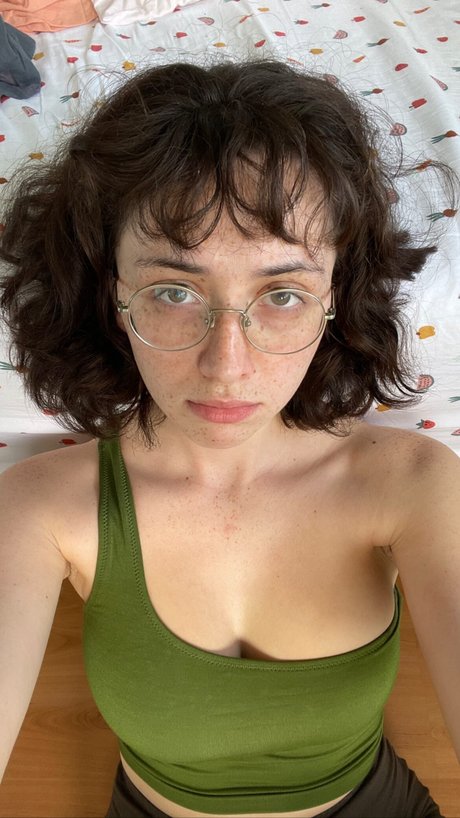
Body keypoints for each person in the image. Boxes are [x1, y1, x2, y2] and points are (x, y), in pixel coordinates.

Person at [0, 59, 459, 818]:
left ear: (336, 298)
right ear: (112, 295)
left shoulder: (414, 482)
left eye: (283, 295)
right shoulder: (35, 507)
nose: (226, 367)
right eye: (174, 291)